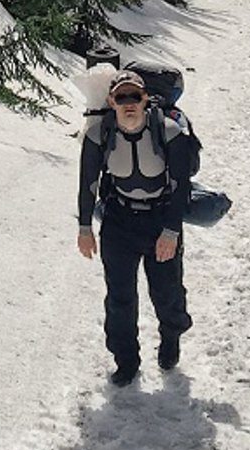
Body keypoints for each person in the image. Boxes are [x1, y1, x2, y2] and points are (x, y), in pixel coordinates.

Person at [76, 71, 199, 385]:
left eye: (134, 97)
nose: (128, 104)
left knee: (168, 292)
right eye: (121, 97)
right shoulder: (99, 134)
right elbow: (88, 182)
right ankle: (126, 360)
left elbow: (180, 184)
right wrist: (85, 227)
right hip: (119, 222)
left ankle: (171, 337)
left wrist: (171, 232)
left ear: (145, 99)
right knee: (119, 298)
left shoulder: (168, 132)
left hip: (160, 220)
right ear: (111, 101)